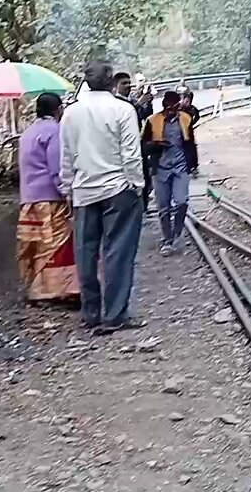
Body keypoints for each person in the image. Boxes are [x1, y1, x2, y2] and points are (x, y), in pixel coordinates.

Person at [60, 60, 146, 335]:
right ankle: (115, 314)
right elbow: (131, 154)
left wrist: (68, 189)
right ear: (111, 81)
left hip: (84, 192)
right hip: (118, 189)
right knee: (118, 252)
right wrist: (137, 185)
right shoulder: (123, 109)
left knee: (85, 253)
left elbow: (65, 156)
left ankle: (91, 313)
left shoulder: (70, 114)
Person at [16, 93, 80, 303]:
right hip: (50, 198)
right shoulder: (55, 131)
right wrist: (67, 194)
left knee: (38, 245)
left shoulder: (28, 133)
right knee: (56, 244)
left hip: (29, 198)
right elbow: (57, 169)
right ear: (58, 109)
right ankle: (59, 290)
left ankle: (38, 289)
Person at [143, 90, 193, 254]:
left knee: (181, 202)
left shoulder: (185, 119)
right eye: (168, 105)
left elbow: (191, 143)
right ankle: (167, 240)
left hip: (181, 167)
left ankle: (176, 232)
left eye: (174, 105)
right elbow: (142, 146)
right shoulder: (152, 121)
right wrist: (156, 145)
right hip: (160, 169)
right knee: (163, 207)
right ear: (163, 105)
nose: (171, 109)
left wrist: (194, 164)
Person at [114, 71, 154, 207]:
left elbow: (144, 115)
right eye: (124, 83)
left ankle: (143, 204)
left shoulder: (130, 100)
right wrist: (138, 104)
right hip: (124, 144)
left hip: (138, 141)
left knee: (145, 175)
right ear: (115, 86)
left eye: (129, 83)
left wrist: (147, 103)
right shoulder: (116, 103)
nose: (128, 86)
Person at [181, 90, 201, 176]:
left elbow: (197, 117)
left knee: (191, 149)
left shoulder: (192, 109)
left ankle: (193, 166)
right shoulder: (180, 108)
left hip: (188, 132)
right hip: (182, 133)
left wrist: (191, 123)